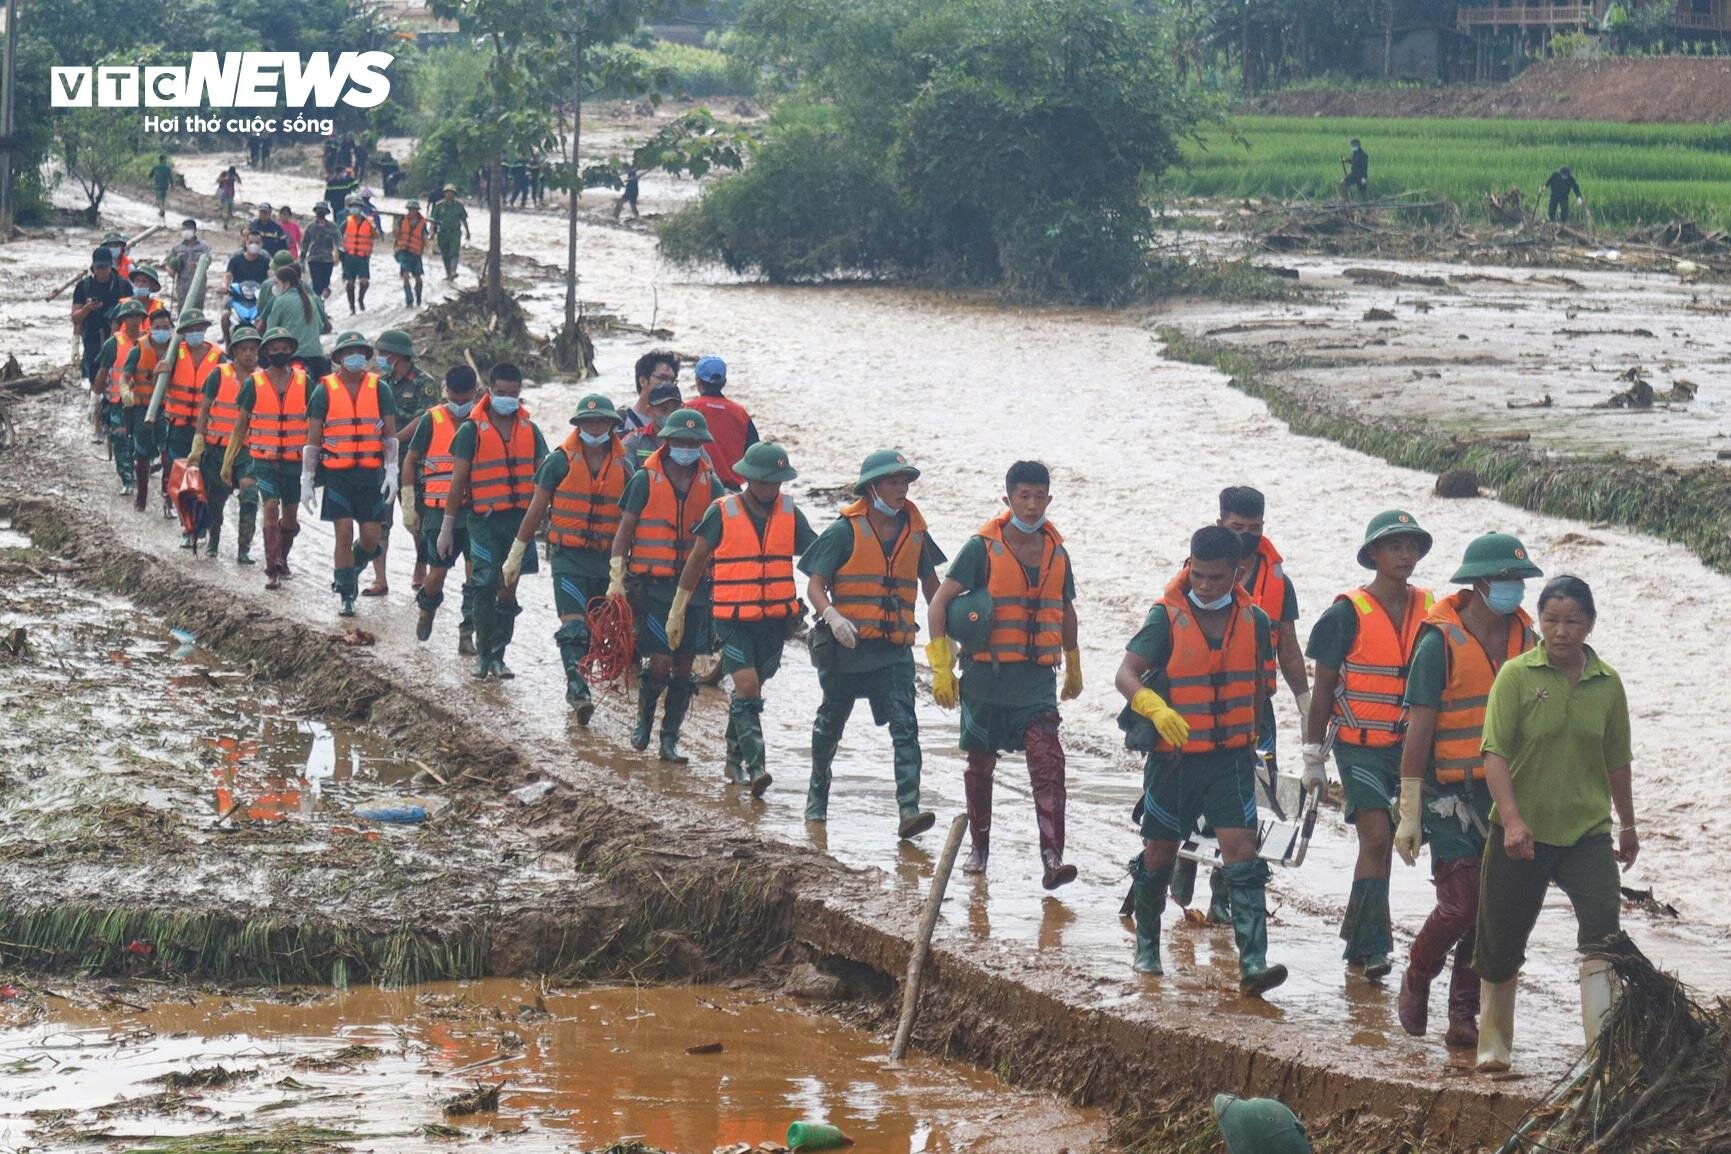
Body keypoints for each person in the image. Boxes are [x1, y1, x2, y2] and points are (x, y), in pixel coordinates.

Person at [1471, 576, 1635, 1073]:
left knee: (1603, 939)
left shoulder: (1607, 683)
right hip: (1521, 832)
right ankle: (1493, 1045)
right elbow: (1494, 754)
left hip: (1587, 831)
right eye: (1551, 620)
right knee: (1500, 940)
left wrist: (1627, 825)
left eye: (1572, 621)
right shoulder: (1517, 676)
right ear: (1538, 621)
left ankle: (1601, 1051)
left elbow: (1618, 760)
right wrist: (1514, 821)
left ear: (1590, 624)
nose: (1561, 631)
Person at [1116, 525, 1287, 994]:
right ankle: (1147, 948)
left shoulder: (1253, 622)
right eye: (1198, 574)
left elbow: (1257, 689)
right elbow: (1126, 674)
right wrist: (1154, 706)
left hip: (1230, 759)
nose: (1205, 585)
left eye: (1216, 577)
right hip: (1174, 761)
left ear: (1239, 572)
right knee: (1160, 853)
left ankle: (1254, 963)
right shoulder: (1165, 617)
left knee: (1243, 853)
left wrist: (1258, 742)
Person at [1393, 533, 1543, 1053]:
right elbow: (1419, 729)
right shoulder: (1438, 642)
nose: (1514, 591)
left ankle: (1463, 1015)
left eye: (1519, 581)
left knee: (1490, 908)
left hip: (1505, 795)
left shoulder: (1530, 640)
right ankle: (1418, 972)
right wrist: (1409, 808)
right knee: (1459, 904)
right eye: (1505, 581)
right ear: (1479, 583)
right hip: (1447, 793)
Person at [926, 460, 1083, 890]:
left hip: (1036, 683)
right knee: (980, 766)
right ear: (1008, 499)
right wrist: (941, 665)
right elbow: (939, 603)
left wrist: (1074, 663)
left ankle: (1053, 859)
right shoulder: (981, 548)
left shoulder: (1058, 552)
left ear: (1049, 499)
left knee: (1049, 764)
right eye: (1023, 497)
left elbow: (1066, 611)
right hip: (985, 679)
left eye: (1039, 498)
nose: (1032, 507)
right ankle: (979, 848)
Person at [1169, 486, 1313, 922]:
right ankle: (1183, 862)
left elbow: (1286, 646)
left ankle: (1225, 898)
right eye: (1237, 528)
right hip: (1196, 705)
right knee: (1194, 793)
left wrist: (1305, 703)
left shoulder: (1277, 581)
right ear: (1220, 525)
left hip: (1253, 706)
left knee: (1247, 799)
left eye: (1255, 529)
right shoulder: (1198, 574)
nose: (1246, 536)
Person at [1304, 510, 1434, 982]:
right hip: (1357, 747)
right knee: (1376, 839)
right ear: (1373, 554)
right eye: (1394, 546)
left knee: (1401, 844)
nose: (1405, 554)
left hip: (1410, 747)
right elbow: (1322, 692)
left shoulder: (1432, 611)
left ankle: (1357, 943)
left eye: (1411, 546)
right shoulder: (1344, 614)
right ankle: (1378, 948)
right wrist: (1313, 757)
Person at [799, 449, 942, 838]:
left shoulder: (916, 532)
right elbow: (814, 582)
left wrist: (947, 642)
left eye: (906, 481)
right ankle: (817, 800)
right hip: (846, 648)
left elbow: (935, 591)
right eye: (894, 481)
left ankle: (908, 810)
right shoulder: (844, 531)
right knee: (830, 725)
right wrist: (832, 615)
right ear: (873, 486)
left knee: (905, 724)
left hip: (893, 650)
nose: (902, 488)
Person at [674, 441, 817, 795]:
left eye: (778, 482)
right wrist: (678, 609)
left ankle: (732, 760)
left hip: (775, 620)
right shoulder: (722, 511)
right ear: (749, 479)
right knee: (747, 686)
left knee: (751, 691)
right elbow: (696, 560)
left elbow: (816, 553)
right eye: (767, 482)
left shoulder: (790, 512)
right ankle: (757, 769)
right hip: (732, 618)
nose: (773, 489)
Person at [609, 410, 722, 761]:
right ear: (667, 442)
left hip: (697, 589)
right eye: (681, 442)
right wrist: (617, 576)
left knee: (685, 666)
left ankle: (669, 738)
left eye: (693, 443)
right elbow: (625, 530)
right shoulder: (644, 480)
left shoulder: (711, 484)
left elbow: (725, 531)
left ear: (701, 445)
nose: (687, 448)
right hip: (654, 586)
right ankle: (643, 721)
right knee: (659, 660)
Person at [510, 394, 628, 721]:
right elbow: (537, 510)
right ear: (577, 425)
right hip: (567, 558)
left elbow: (632, 521)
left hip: (605, 561)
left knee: (595, 633)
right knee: (574, 627)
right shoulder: (558, 461)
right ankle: (578, 692)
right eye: (588, 421)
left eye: (601, 421)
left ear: (612, 425)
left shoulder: (626, 467)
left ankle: (580, 681)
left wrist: (623, 571)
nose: (594, 426)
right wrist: (517, 552)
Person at [437, 363, 548, 677]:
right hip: (483, 521)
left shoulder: (531, 430)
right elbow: (457, 482)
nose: (507, 399)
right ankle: (483, 655)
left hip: (519, 523)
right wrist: (446, 528)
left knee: (508, 590)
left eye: (513, 394)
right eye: (501, 393)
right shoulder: (470, 430)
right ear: (488, 391)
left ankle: (499, 655)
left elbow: (544, 476)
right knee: (484, 582)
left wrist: (548, 518)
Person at [302, 331, 400, 617]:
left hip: (370, 474)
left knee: (371, 539)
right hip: (338, 475)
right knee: (343, 533)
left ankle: (351, 568)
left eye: (359, 351)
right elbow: (313, 439)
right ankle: (346, 593)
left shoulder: (380, 389)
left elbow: (390, 435)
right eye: (348, 352)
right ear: (339, 358)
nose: (354, 357)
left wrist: (391, 472)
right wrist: (306, 480)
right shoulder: (324, 390)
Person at [402, 366, 481, 658]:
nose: (459, 402)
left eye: (465, 396)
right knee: (436, 575)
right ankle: (427, 607)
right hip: (437, 513)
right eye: (454, 396)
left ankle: (467, 633)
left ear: (475, 392)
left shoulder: (481, 421)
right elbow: (410, 460)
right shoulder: (431, 420)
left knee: (476, 577)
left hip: (474, 513)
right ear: (446, 391)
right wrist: (409, 502)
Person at [227, 329, 312, 589]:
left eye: (284, 348)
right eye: (274, 349)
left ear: (291, 350)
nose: (279, 353)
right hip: (263, 459)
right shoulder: (254, 383)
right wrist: (228, 459)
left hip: (295, 461)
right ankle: (272, 566)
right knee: (271, 507)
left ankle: (282, 557)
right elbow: (241, 423)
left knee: (290, 516)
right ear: (266, 353)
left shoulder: (305, 382)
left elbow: (316, 422)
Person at [373, 329, 440, 597]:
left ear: (396, 355)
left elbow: (425, 418)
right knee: (381, 520)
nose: (379, 358)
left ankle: (420, 568)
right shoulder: (381, 383)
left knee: (417, 519)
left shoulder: (425, 383)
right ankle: (380, 579)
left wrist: (395, 439)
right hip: (384, 460)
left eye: (383, 354)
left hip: (414, 460)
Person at [195, 325, 261, 565]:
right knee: (216, 498)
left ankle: (244, 548)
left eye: (253, 349)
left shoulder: (262, 379)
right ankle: (213, 540)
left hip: (247, 450)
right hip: (217, 448)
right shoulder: (218, 374)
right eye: (244, 349)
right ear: (234, 351)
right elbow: (205, 408)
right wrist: (199, 440)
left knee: (249, 495)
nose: (249, 354)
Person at [160, 310, 225, 547]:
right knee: (182, 478)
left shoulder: (218, 357)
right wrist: (162, 372)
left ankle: (201, 526)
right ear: (184, 333)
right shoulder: (173, 354)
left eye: (199, 329)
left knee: (204, 479)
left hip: (206, 428)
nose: (195, 333)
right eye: (191, 329)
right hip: (178, 426)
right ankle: (188, 526)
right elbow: (160, 383)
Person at [72, 247, 134, 441]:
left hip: (118, 338)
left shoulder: (122, 286)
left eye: (105, 267)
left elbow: (131, 312)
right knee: (95, 379)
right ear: (93, 267)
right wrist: (87, 309)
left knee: (119, 378)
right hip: (92, 337)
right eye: (98, 267)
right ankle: (98, 423)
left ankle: (118, 421)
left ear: (111, 266)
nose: (102, 271)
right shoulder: (83, 287)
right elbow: (75, 317)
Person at [93, 298, 148, 496]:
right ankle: (127, 478)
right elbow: (103, 371)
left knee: (140, 441)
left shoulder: (150, 342)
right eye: (130, 317)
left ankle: (139, 470)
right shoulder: (113, 344)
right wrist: (96, 399)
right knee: (120, 438)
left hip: (143, 403)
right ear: (123, 319)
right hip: (118, 403)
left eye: (137, 316)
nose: (134, 320)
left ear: (142, 318)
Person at [684, 356, 759, 491]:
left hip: (696, 487)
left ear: (697, 381)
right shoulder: (740, 413)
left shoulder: (688, 409)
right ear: (724, 382)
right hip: (732, 490)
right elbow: (755, 455)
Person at [261, 262, 330, 382]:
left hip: (292, 356)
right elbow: (320, 327)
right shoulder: (310, 299)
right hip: (317, 356)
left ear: (286, 283)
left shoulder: (281, 301)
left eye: (277, 283)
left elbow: (271, 332)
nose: (275, 287)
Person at [621, 379, 685, 469]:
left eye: (674, 409)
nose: (670, 415)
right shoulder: (634, 441)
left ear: (682, 409)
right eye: (663, 410)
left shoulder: (690, 441)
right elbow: (622, 475)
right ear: (649, 411)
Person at [223, 229, 271, 344]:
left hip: (258, 299)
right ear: (245, 242)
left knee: (268, 317)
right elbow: (228, 275)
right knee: (225, 315)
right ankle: (227, 341)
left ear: (261, 244)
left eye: (257, 243)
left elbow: (271, 275)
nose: (253, 245)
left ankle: (265, 343)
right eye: (251, 242)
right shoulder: (236, 260)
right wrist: (224, 286)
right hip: (237, 296)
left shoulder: (265, 260)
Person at [623, 351, 680, 434]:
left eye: (672, 380)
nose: (668, 385)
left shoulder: (680, 422)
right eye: (662, 378)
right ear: (643, 381)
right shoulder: (623, 423)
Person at [339, 196, 378, 315]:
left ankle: (360, 299)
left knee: (364, 282)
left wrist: (373, 226)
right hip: (349, 257)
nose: (354, 209)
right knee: (350, 284)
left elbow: (376, 236)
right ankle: (352, 307)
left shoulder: (369, 222)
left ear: (361, 209)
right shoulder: (346, 222)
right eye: (352, 207)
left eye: (357, 207)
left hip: (363, 257)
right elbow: (338, 236)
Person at [165, 219, 212, 310]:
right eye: (183, 229)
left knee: (197, 308)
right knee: (182, 308)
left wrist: (200, 264)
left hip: (199, 283)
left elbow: (208, 260)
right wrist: (171, 269)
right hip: (183, 284)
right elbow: (167, 262)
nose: (185, 232)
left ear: (194, 231)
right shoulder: (177, 248)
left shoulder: (203, 247)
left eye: (188, 229)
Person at [393, 201, 431, 307]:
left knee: (418, 278)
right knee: (405, 276)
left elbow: (424, 237)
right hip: (404, 252)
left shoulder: (422, 223)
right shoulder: (401, 220)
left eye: (413, 209)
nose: (411, 211)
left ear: (417, 211)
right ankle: (409, 300)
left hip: (416, 253)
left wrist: (429, 248)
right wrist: (395, 230)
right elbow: (396, 235)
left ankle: (418, 297)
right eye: (410, 209)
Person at [430, 184, 470, 281]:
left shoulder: (459, 206)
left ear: (454, 195)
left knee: (454, 252)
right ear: (444, 194)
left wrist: (468, 232)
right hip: (442, 233)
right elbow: (434, 221)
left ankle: (453, 271)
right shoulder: (439, 206)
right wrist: (431, 232)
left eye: (451, 193)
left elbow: (464, 220)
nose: (449, 195)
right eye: (447, 193)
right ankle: (449, 275)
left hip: (454, 233)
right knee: (445, 254)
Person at [301, 204, 340, 300]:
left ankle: (321, 305)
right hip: (314, 259)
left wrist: (338, 256)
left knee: (325, 284)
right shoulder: (310, 227)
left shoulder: (332, 227)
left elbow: (338, 242)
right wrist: (302, 258)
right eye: (319, 211)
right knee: (316, 284)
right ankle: (317, 306)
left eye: (322, 211)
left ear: (326, 213)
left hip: (328, 260)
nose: (320, 213)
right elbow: (305, 243)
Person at [150, 153, 174, 221]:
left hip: (158, 185)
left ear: (159, 160)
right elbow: (170, 177)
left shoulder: (156, 167)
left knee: (158, 198)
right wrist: (172, 185)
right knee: (163, 199)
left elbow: (150, 175)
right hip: (165, 185)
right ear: (164, 160)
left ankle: (161, 210)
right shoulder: (167, 168)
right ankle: (162, 210)